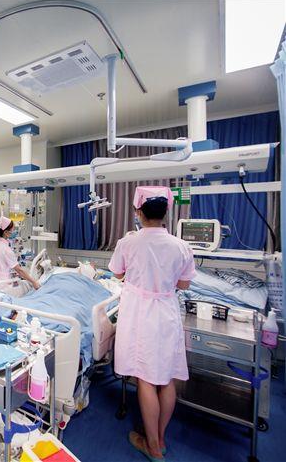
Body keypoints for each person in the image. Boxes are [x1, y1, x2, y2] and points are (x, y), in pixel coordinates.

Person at [108, 186, 196, 462]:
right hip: (166, 312)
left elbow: (117, 274)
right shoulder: (181, 246)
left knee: (145, 378)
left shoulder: (128, 242)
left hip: (139, 314)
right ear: (166, 212)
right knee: (167, 378)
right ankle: (160, 437)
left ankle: (153, 447)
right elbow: (184, 284)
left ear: (138, 212)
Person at [0, 215, 41, 296]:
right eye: (13, 230)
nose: (14, 232)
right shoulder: (6, 250)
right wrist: (34, 282)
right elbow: (19, 270)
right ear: (6, 232)